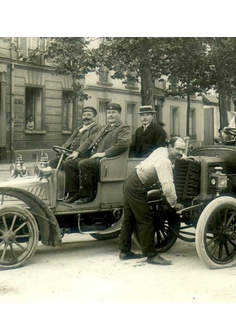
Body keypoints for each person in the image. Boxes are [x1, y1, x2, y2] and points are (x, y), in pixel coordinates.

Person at [118, 137, 186, 266]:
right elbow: (167, 185)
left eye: (183, 150)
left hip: (131, 182)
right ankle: (151, 255)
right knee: (146, 220)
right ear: (170, 146)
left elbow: (178, 155)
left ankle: (124, 252)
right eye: (178, 149)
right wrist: (173, 203)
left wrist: (185, 157)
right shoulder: (164, 162)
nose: (180, 152)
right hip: (136, 186)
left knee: (129, 218)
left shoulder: (162, 150)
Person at [63, 103, 131, 205]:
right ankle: (74, 193)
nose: (110, 115)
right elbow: (90, 140)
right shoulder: (105, 127)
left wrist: (104, 153)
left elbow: (123, 144)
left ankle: (87, 196)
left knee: (84, 163)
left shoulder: (123, 127)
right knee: (69, 163)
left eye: (113, 112)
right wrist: (77, 152)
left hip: (107, 162)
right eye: (108, 113)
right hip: (96, 160)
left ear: (119, 114)